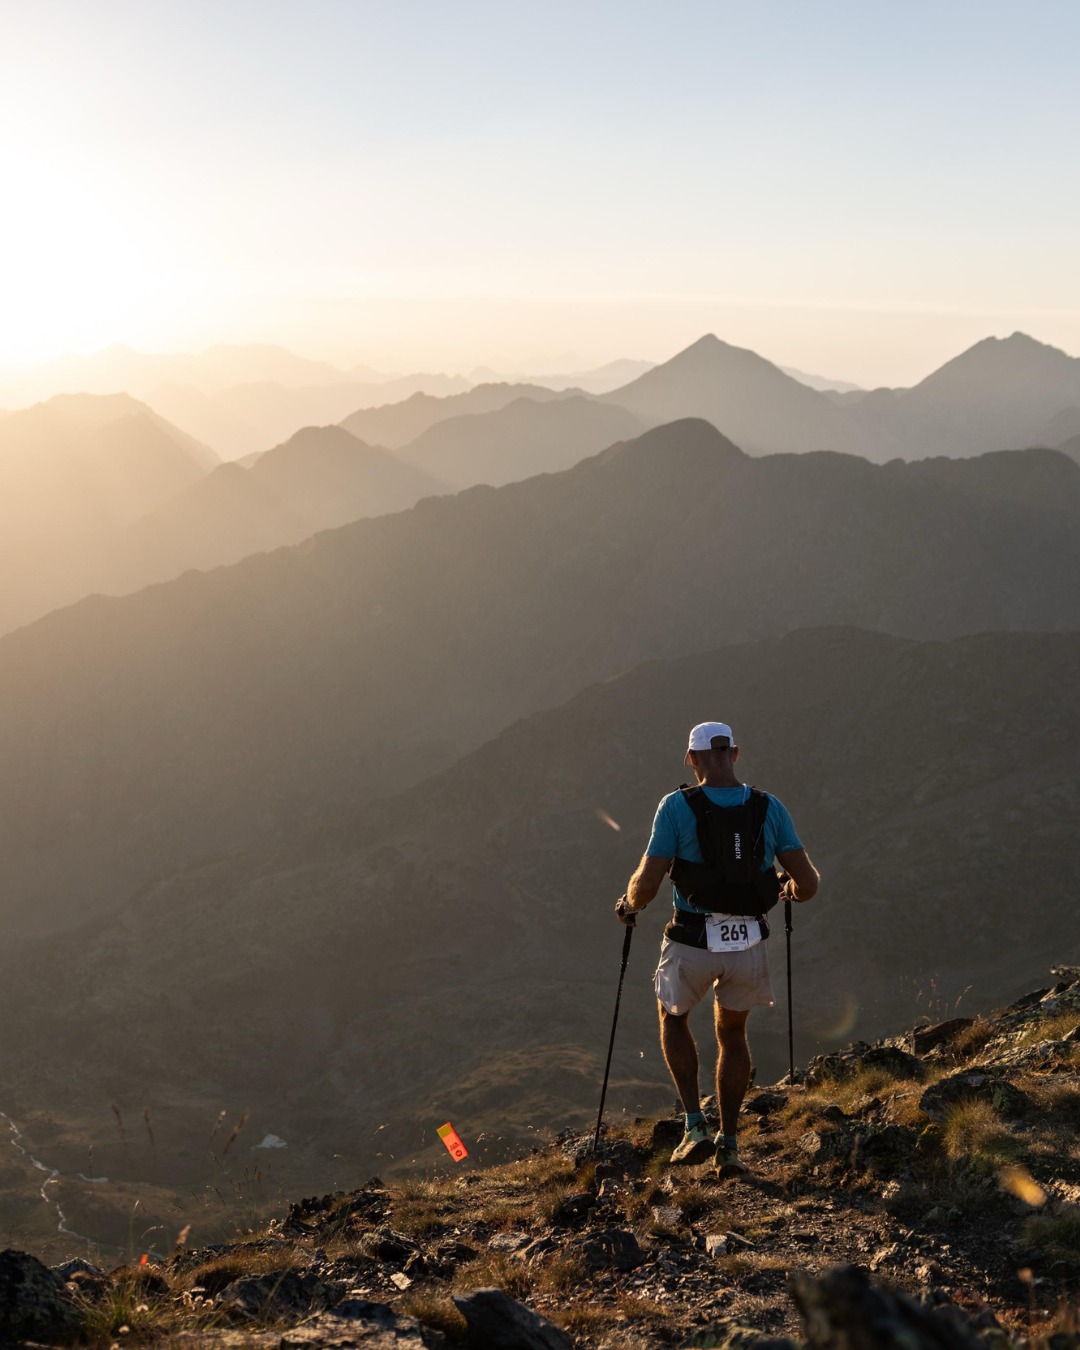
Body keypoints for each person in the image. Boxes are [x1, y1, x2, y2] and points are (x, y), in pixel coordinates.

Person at [615, 721, 819, 1176]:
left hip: (691, 939)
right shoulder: (769, 806)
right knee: (733, 1035)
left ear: (692, 759)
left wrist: (629, 905)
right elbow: (808, 883)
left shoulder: (676, 806)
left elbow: (648, 883)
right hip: (748, 944)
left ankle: (694, 1126)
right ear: (735, 753)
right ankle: (729, 1145)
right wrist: (788, 891)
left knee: (673, 1018)